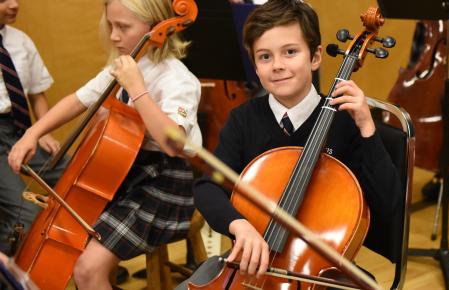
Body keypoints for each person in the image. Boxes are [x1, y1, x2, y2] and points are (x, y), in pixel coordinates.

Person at [193, 0, 402, 279]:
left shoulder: (345, 122)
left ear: (315, 57)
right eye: (264, 57)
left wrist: (366, 127)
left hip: (317, 272)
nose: (277, 65)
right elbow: (208, 187)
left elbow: (389, 205)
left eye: (290, 52)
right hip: (250, 264)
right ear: (254, 65)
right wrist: (239, 225)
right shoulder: (243, 119)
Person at [7, 0, 202, 289]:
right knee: (70, 244)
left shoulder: (178, 79)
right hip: (123, 178)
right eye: (111, 25)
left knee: (87, 268)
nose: (113, 35)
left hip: (164, 185)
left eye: (123, 27)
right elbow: (77, 100)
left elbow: (172, 144)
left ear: (155, 27)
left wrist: (138, 90)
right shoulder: (124, 67)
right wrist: (32, 133)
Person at [0, 0, 66, 256]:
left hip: (22, 130)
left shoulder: (21, 41)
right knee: (27, 213)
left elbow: (37, 94)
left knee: (77, 177)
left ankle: (89, 263)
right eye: (4, 0)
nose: (15, 5)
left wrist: (43, 132)